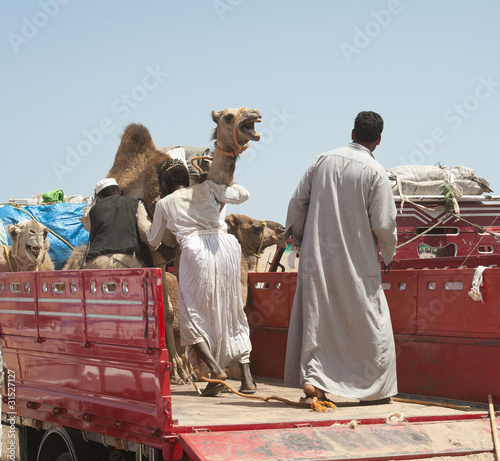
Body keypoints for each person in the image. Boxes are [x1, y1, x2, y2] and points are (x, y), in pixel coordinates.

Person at [283, 111, 398, 405]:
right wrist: (388, 254)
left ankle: (315, 381)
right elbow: (383, 224)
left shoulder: (322, 160)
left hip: (317, 258)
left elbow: (297, 203)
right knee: (370, 322)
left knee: (318, 317)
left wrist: (298, 237)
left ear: (352, 132)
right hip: (358, 263)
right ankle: (373, 390)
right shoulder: (376, 172)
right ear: (379, 140)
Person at [146, 179, 256, 397]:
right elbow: (243, 194)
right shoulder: (209, 187)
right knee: (232, 311)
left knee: (191, 315)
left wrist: (153, 214)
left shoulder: (165, 203)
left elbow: (153, 239)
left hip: (195, 250)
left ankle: (216, 372)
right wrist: (226, 182)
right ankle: (247, 380)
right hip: (227, 247)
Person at [82, 178, 154, 268]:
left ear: (99, 197)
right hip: (126, 260)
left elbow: (87, 226)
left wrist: (94, 202)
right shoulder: (136, 204)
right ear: (119, 191)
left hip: (97, 262)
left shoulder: (93, 210)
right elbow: (146, 232)